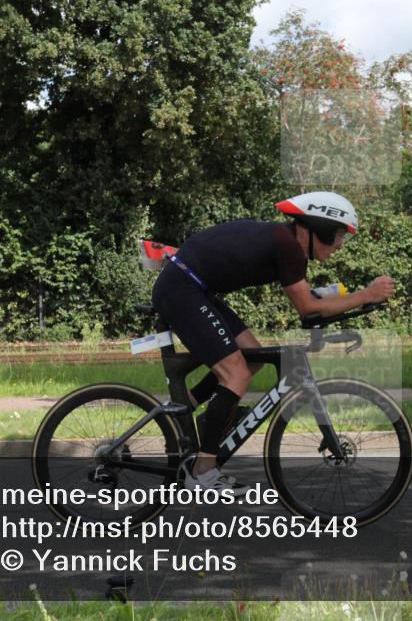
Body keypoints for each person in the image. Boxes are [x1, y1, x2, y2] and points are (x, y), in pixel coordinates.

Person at [151, 191, 396, 493]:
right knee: (236, 373)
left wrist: (351, 303)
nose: (340, 245)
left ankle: (183, 414)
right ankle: (202, 470)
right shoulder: (287, 246)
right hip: (183, 290)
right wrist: (365, 295)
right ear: (315, 228)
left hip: (195, 288)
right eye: (337, 236)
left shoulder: (286, 244)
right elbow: (308, 308)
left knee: (252, 357)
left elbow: (309, 305)